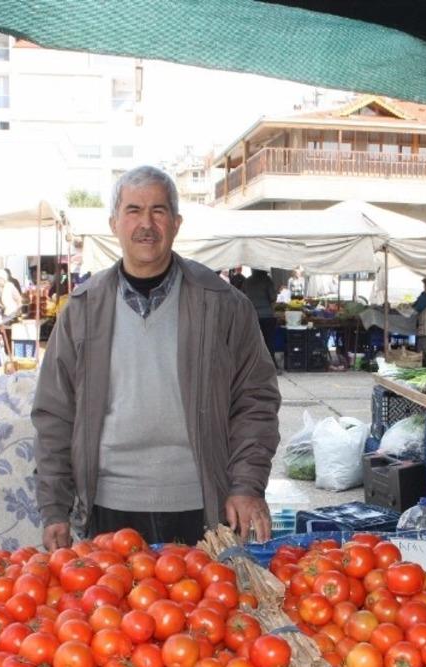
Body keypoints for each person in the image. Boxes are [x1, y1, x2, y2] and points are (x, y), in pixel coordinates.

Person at [33, 165, 280, 548]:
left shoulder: (221, 304)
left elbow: (256, 401)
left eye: (158, 211)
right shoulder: (83, 309)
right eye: (133, 210)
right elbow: (54, 414)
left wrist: (246, 484)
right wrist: (54, 508)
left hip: (201, 505)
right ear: (114, 222)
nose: (146, 223)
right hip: (108, 505)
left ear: (176, 223)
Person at [241, 268, 277, 357]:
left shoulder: (247, 281)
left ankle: (256, 365)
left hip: (252, 315)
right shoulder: (267, 280)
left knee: (254, 341)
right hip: (267, 315)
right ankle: (272, 364)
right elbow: (273, 297)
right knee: (269, 341)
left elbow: (242, 296)